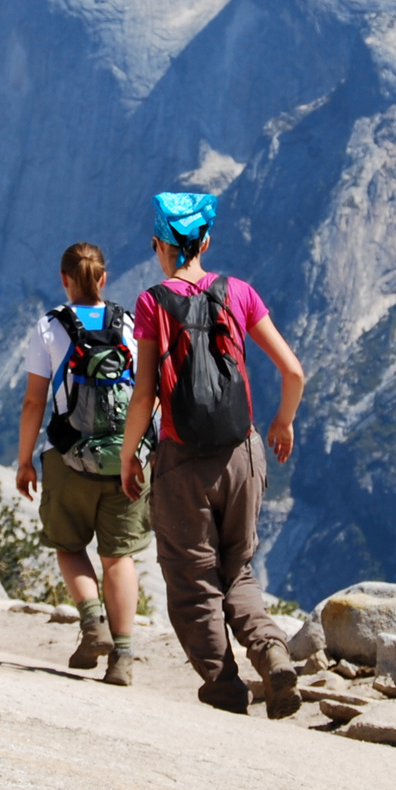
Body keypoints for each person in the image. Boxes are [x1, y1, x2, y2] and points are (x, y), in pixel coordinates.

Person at [120, 193, 306, 718]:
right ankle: (271, 652)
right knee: (239, 569)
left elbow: (144, 392)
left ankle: (224, 686)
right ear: (206, 241)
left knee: (192, 578)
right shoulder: (239, 292)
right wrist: (282, 422)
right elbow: (292, 371)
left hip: (181, 461)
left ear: (159, 245)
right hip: (243, 451)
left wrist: (130, 455)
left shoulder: (152, 302)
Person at [16, 242, 151, 686]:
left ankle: (92, 623)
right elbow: (149, 393)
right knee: (119, 557)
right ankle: (124, 659)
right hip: (125, 461)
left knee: (69, 545)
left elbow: (35, 401)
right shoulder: (131, 324)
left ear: (64, 280)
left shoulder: (49, 328)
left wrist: (25, 462)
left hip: (68, 457)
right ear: (104, 279)